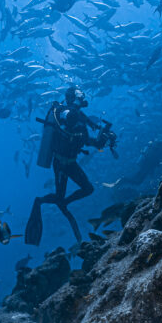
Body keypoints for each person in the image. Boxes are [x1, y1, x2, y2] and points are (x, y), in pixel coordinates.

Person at [27, 85, 117, 245]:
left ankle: (64, 203)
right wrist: (76, 107)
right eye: (80, 97)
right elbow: (69, 121)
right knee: (61, 195)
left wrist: (103, 139)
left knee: (88, 189)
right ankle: (41, 201)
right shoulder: (65, 113)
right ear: (73, 98)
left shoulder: (79, 117)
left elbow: (90, 142)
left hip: (71, 163)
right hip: (61, 164)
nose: (83, 100)